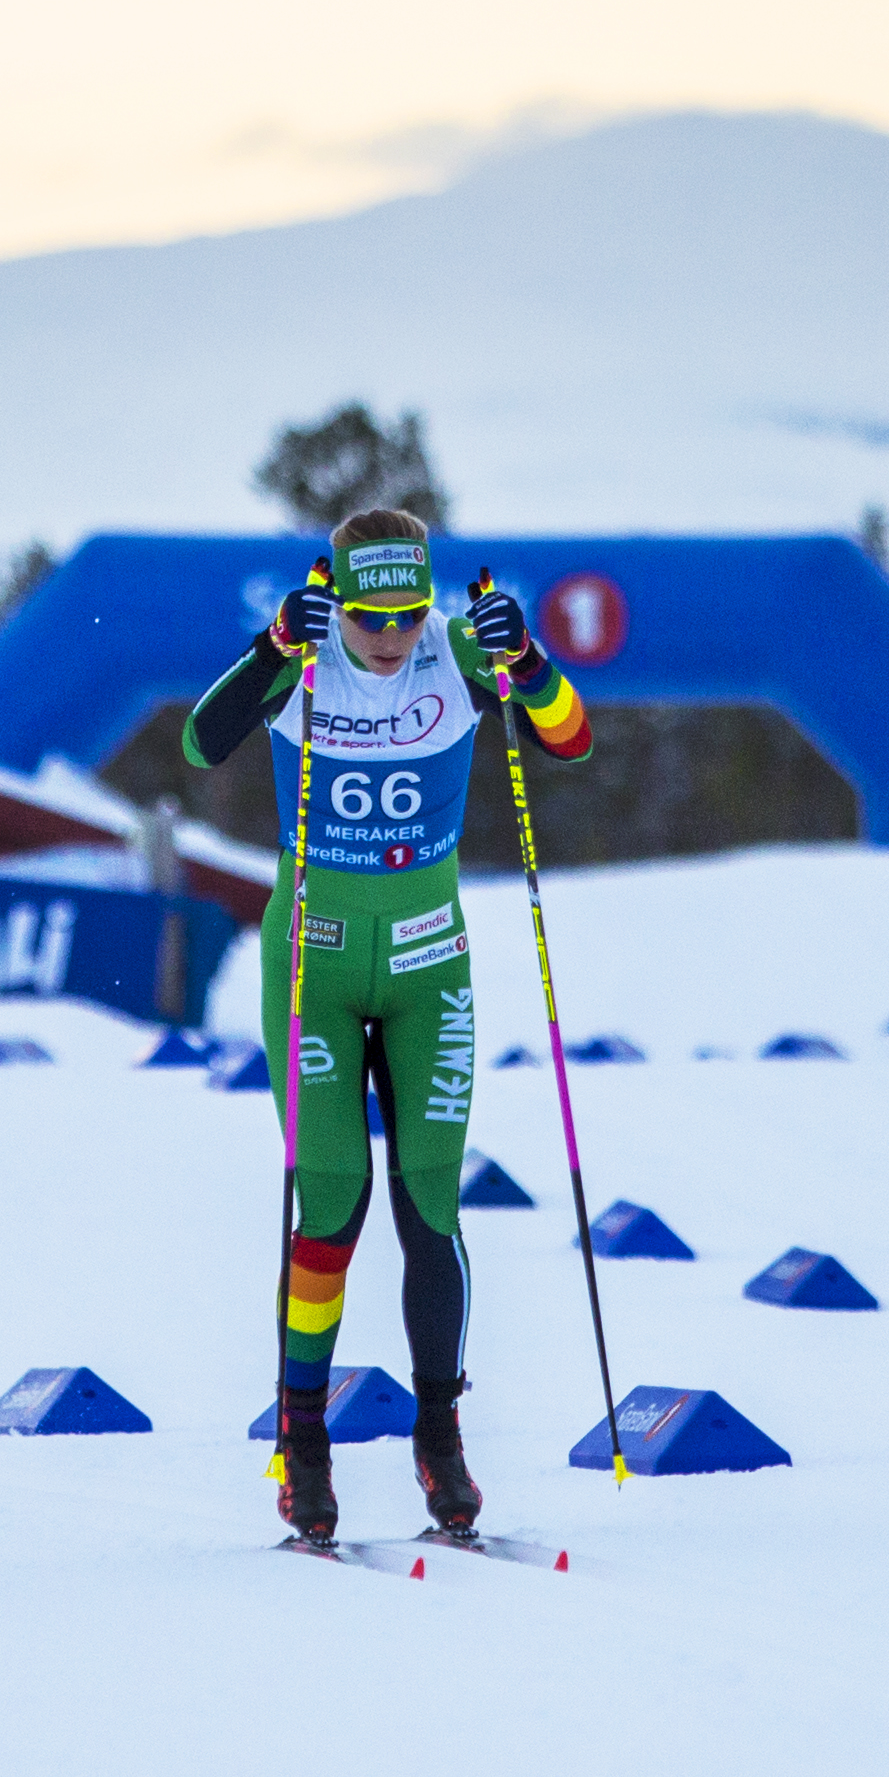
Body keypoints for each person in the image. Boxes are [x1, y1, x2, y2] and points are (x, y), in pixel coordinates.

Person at [182, 507, 592, 1541]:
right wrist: (274, 644)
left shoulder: (456, 654)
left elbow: (572, 739)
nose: (388, 636)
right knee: (331, 1200)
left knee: (429, 1206)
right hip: (311, 969)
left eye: (407, 614)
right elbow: (201, 739)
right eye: (369, 615)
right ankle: (304, 1445)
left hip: (426, 975)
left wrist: (529, 660)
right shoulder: (304, 654)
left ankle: (439, 1433)